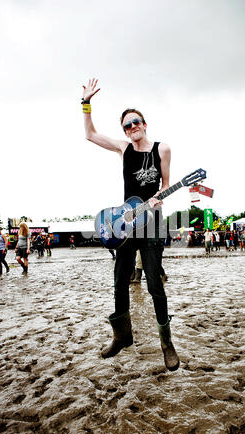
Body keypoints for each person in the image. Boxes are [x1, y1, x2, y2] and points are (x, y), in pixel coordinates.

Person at [82, 77, 179, 371]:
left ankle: (166, 342)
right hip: (125, 224)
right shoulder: (123, 149)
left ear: (145, 124)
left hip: (151, 224)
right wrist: (85, 103)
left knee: (153, 283)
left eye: (136, 122)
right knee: (120, 281)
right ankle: (122, 336)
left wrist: (160, 197)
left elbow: (165, 183)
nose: (132, 127)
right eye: (127, 125)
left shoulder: (162, 149)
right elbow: (90, 134)